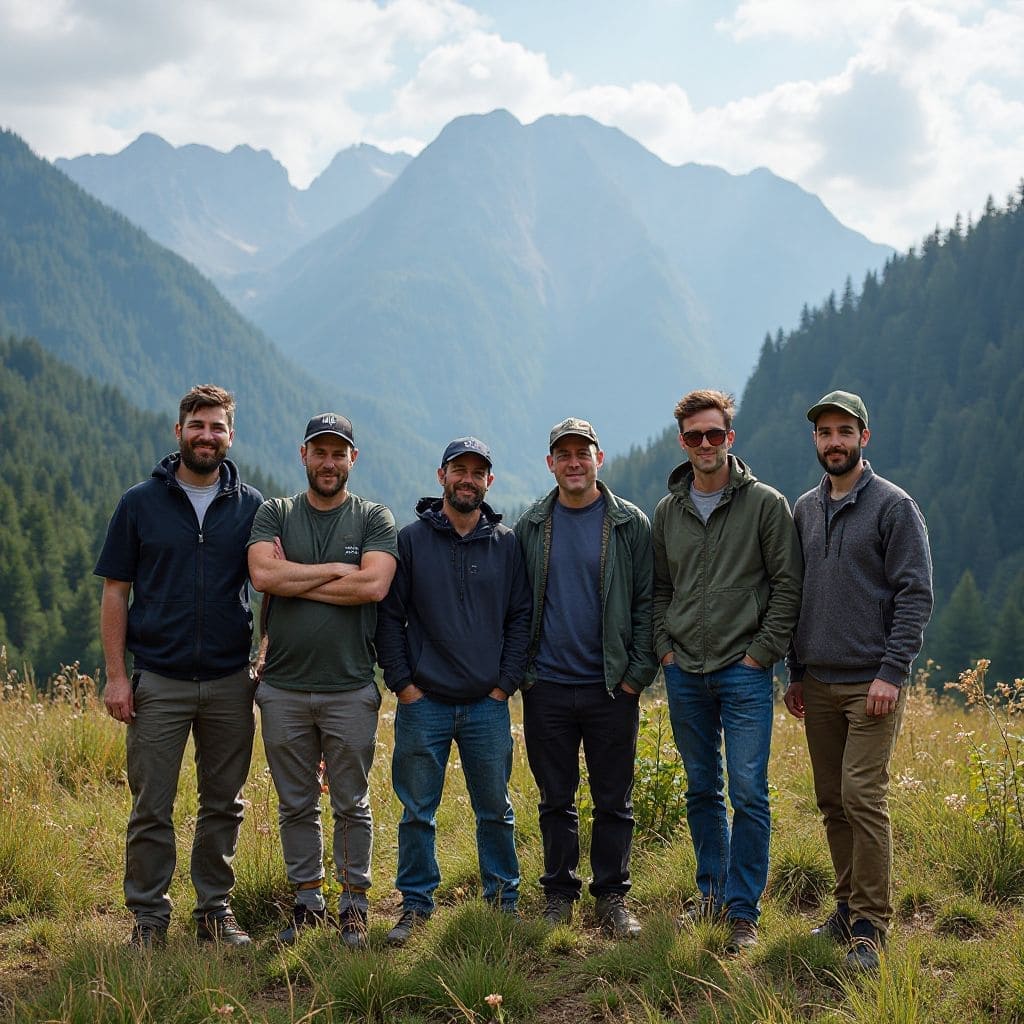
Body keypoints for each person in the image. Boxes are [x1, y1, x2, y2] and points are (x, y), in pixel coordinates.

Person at [96, 384, 264, 949]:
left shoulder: (252, 507)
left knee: (224, 804)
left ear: (231, 436)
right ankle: (148, 920)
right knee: (151, 806)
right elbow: (116, 592)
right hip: (159, 680)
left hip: (228, 681)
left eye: (218, 427)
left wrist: (262, 658)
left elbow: (270, 588)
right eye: (198, 424)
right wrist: (119, 676)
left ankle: (214, 913)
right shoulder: (139, 502)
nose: (207, 435)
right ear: (179, 431)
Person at [784, 390, 933, 970]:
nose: (834, 442)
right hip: (816, 683)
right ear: (816, 442)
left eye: (845, 431)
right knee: (830, 800)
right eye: (824, 433)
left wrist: (892, 673)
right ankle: (845, 909)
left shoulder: (894, 507)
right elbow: (794, 597)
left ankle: (872, 924)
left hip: (871, 683)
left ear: (864, 437)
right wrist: (795, 671)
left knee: (861, 796)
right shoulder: (803, 508)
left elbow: (915, 594)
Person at [652, 388, 802, 953]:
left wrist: (763, 653)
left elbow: (788, 585)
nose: (706, 443)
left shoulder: (765, 504)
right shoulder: (670, 510)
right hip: (685, 669)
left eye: (715, 434)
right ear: (683, 442)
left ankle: (743, 912)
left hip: (744, 670)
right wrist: (664, 647)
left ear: (730, 438)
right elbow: (660, 589)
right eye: (696, 436)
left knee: (748, 791)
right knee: (700, 789)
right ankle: (711, 895)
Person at [247, 413, 398, 948]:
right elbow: (264, 575)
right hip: (282, 687)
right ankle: (307, 901)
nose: (329, 462)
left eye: (340, 453)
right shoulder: (275, 512)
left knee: (351, 803)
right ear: (303, 455)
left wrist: (299, 580)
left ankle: (354, 904)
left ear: (352, 458)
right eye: (320, 451)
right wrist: (338, 571)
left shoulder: (374, 517)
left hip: (350, 685)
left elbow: (375, 587)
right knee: (295, 803)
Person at [375, 437, 532, 945]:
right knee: (418, 811)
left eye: (478, 471)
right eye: (458, 469)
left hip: (487, 704)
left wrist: (505, 685)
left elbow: (521, 617)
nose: (468, 478)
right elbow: (389, 618)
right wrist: (403, 685)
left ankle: (503, 902)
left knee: (496, 809)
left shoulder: (507, 544)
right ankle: (417, 906)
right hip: (426, 704)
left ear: (490, 481)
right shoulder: (410, 541)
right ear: (441, 475)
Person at [514, 417, 657, 939]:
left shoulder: (629, 524)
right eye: (564, 454)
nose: (574, 463)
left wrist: (635, 677)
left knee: (613, 798)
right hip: (547, 685)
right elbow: (519, 604)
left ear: (600, 459)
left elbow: (647, 603)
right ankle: (558, 894)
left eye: (583, 453)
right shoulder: (531, 525)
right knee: (555, 796)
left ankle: (612, 898)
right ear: (551, 464)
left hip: (610, 687)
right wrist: (526, 675)